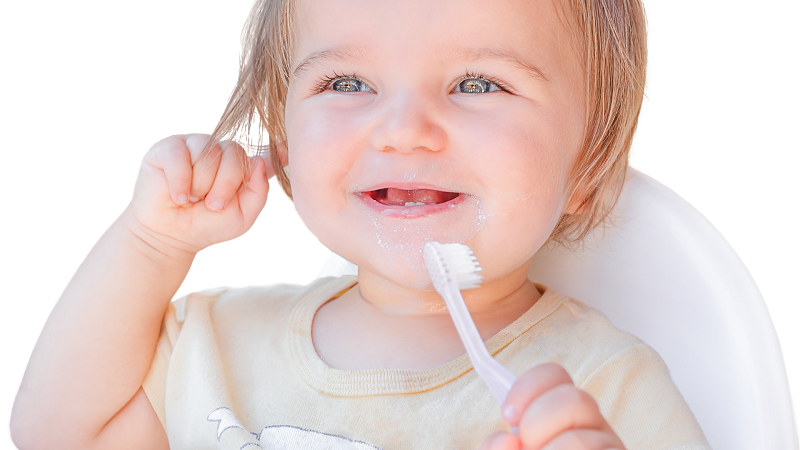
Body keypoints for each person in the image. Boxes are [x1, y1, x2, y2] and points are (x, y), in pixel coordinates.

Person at [10, 0, 712, 448]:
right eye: (346, 84)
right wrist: (151, 243)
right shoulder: (217, 348)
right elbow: (55, 435)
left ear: (587, 167)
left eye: (478, 83)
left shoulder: (605, 388)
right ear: (282, 148)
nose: (404, 130)